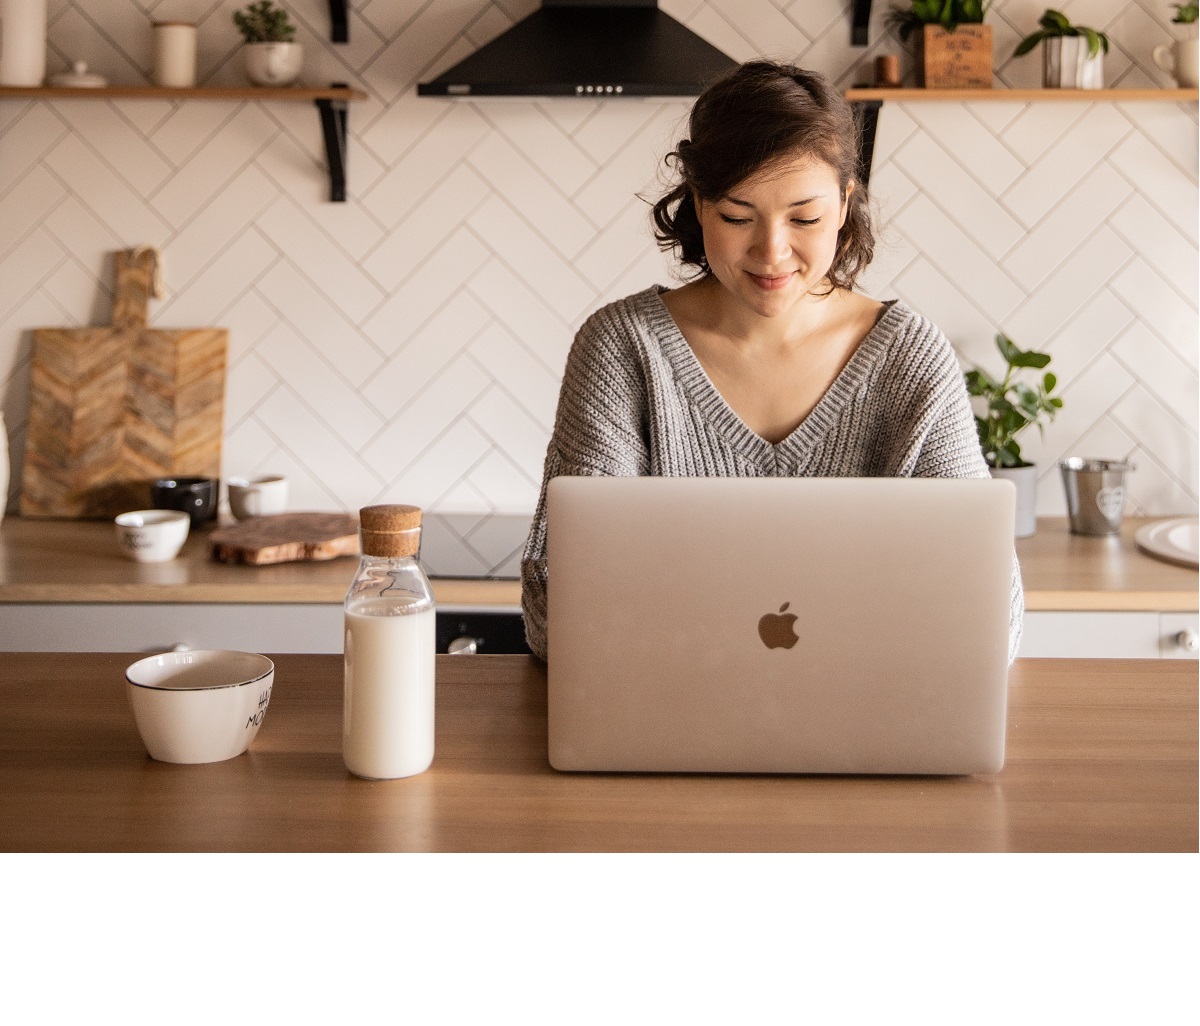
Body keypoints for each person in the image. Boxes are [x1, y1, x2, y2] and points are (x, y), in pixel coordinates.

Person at [521, 60, 1023, 663]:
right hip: (669, 728)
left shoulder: (909, 359)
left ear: (844, 204)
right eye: (738, 216)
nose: (771, 251)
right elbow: (557, 617)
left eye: (804, 218)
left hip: (869, 729)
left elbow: (992, 618)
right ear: (699, 204)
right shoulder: (622, 349)